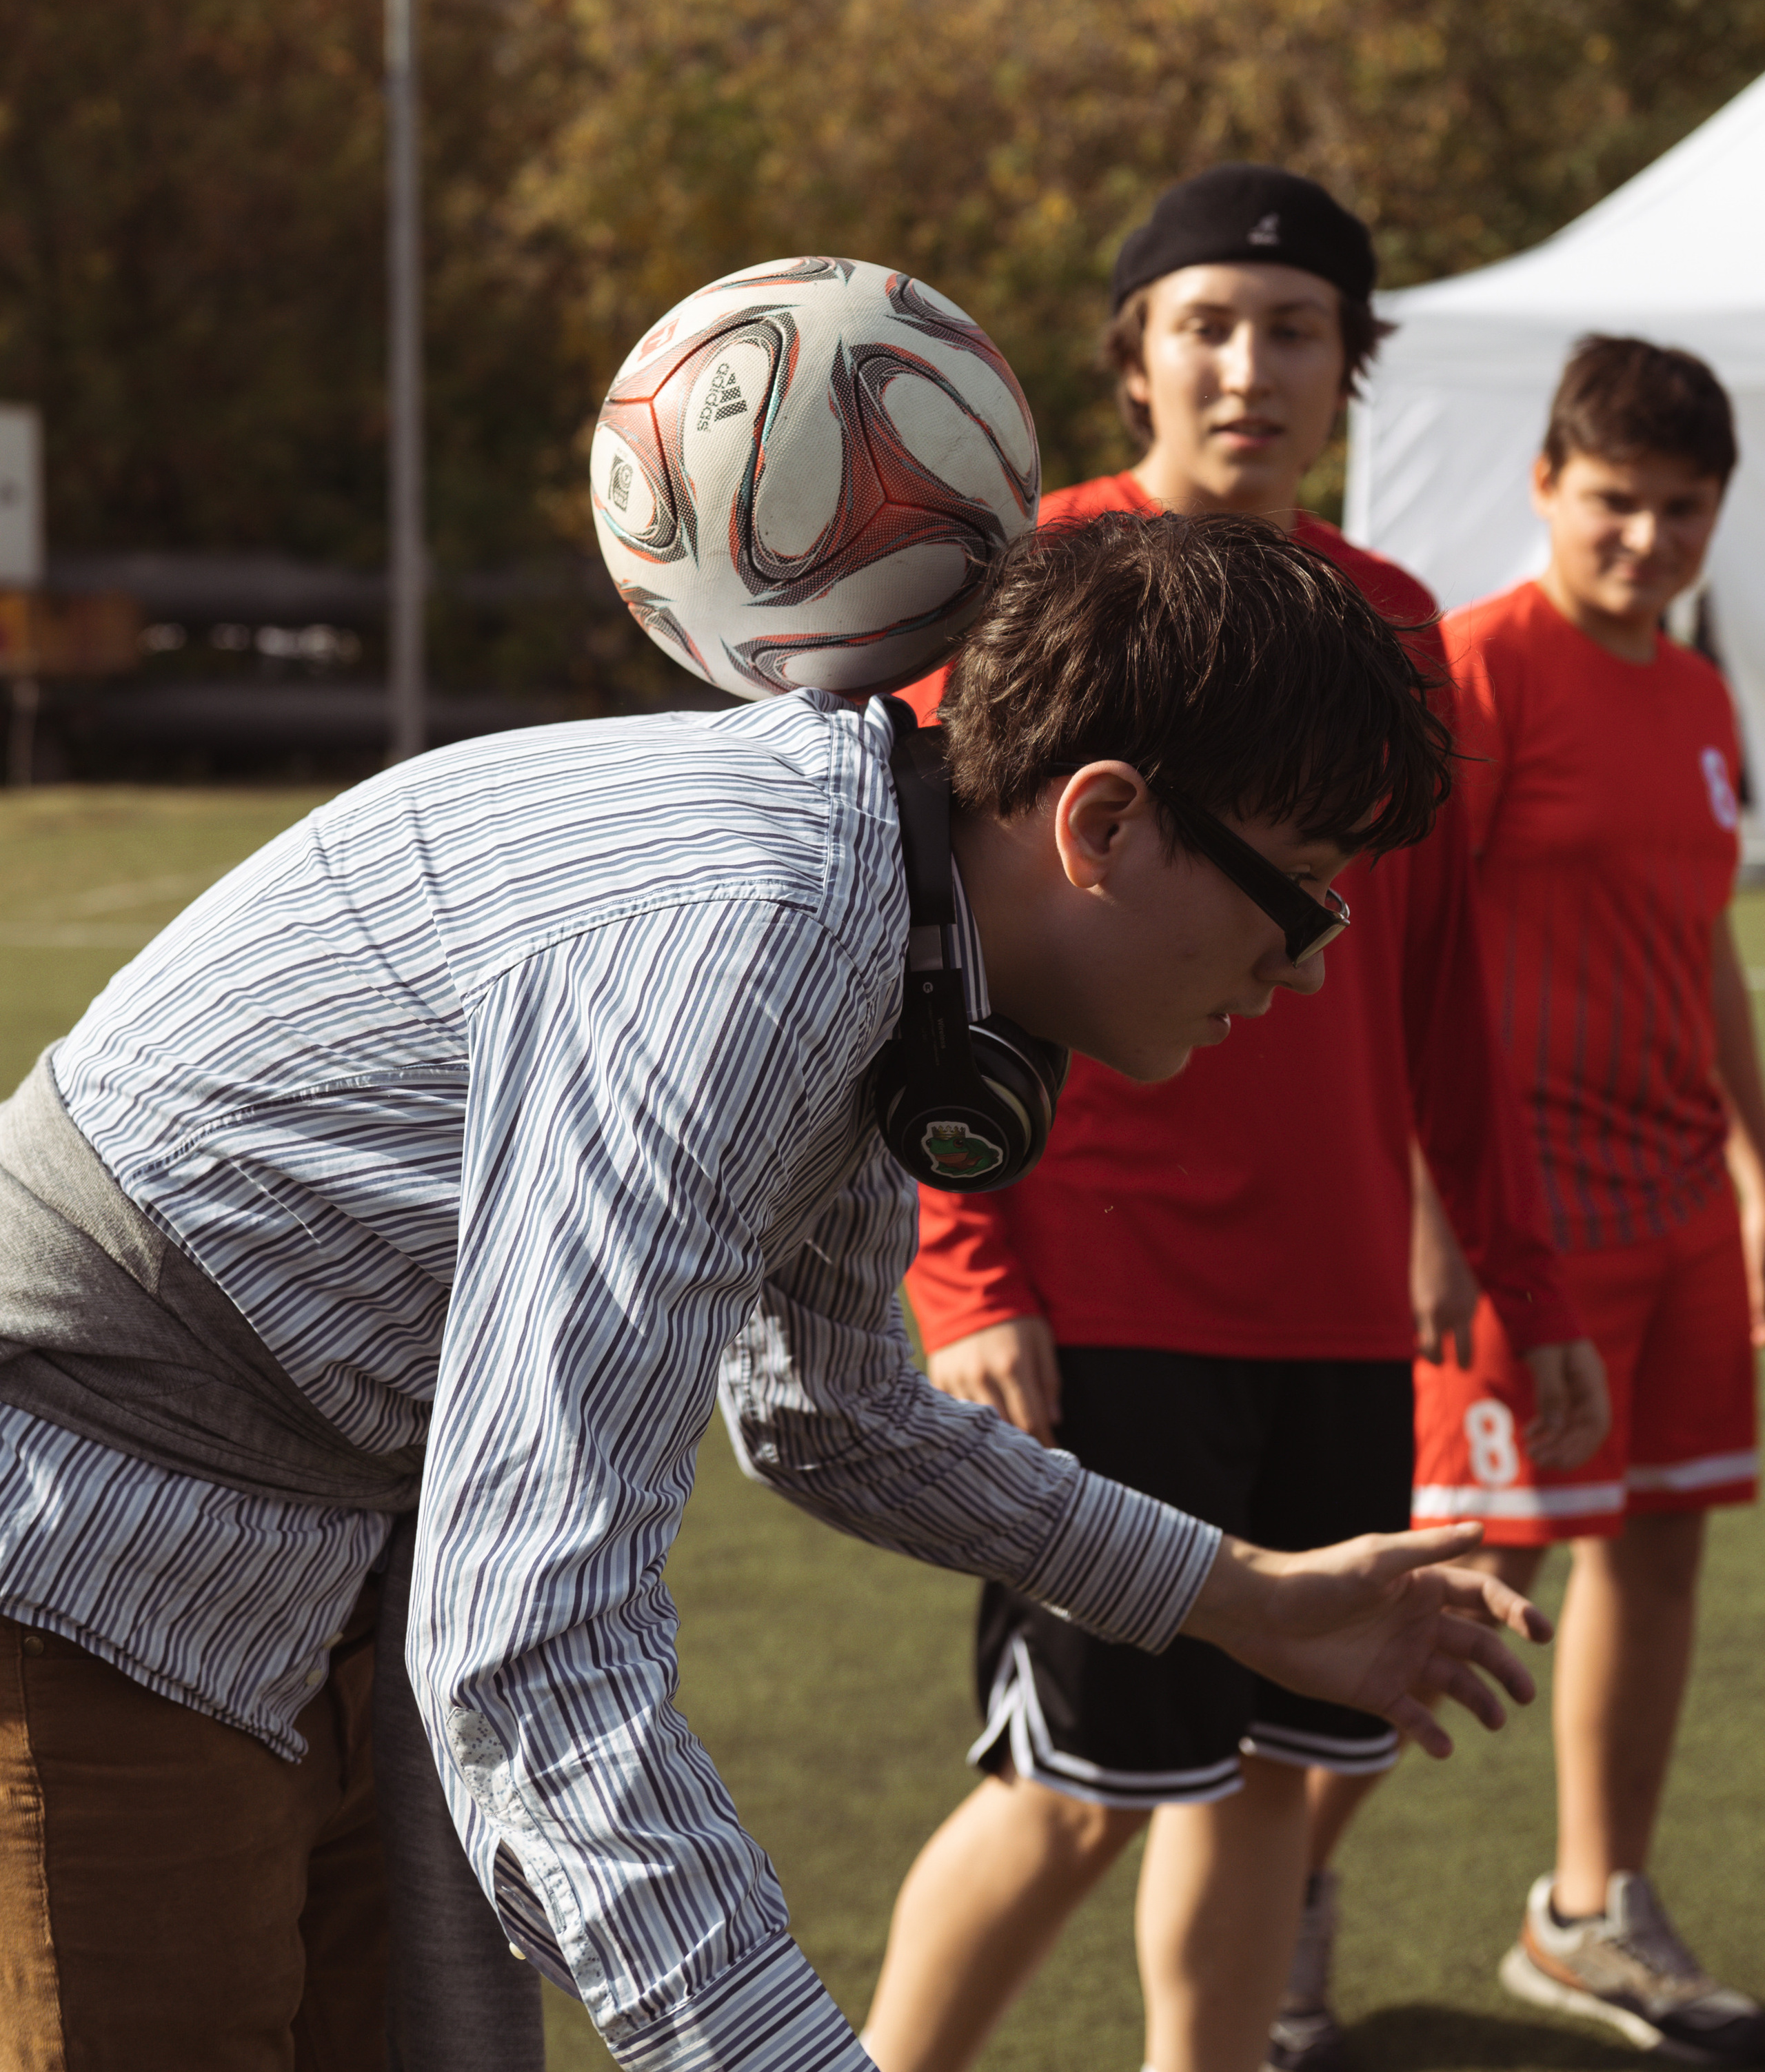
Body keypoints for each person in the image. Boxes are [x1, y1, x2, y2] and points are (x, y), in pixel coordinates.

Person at [0, 507, 1554, 2072]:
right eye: (1301, 892)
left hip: (309, 1540)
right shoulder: (769, 933)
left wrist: (1238, 1597)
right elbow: (529, 1624)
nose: (1308, 965)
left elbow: (832, 1408)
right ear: (1101, 822)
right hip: (91, 1542)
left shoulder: (889, 892)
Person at [860, 167, 1608, 2072]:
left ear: (1347, 365)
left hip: (1337, 1307)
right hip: (1101, 1295)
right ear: (1136, 359)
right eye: (1206, 324)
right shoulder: (1037, 589)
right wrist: (968, 1275)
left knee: (1272, 1765)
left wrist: (1523, 1278)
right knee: (1075, 1792)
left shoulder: (1395, 623)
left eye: (1292, 329)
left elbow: (1437, 989)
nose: (1249, 366)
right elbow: (919, 930)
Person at [1384, 335, 1765, 2062]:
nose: (1646, 539)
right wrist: (1422, 1210)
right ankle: (1272, 1909)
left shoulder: (1698, 692)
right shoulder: (1477, 671)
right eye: (1614, 500)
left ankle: (1587, 1909)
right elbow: (1390, 949)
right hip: (1515, 1223)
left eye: (1681, 509)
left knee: (1659, 1550)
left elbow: (1702, 952)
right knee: (1451, 1582)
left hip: (1677, 1211)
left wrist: (1755, 1171)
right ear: (1543, 483)